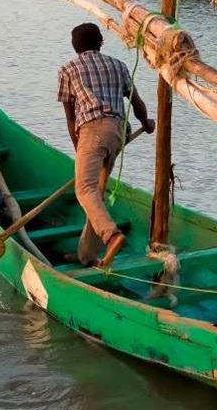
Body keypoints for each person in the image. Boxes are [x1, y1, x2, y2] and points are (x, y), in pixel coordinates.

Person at [57, 23, 154, 267]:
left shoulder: (68, 69)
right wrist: (147, 122)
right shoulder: (118, 65)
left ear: (74, 46)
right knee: (96, 193)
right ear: (100, 42)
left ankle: (111, 236)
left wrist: (79, 147)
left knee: (84, 189)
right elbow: (137, 102)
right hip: (117, 133)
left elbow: (71, 118)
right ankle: (87, 255)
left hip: (92, 132)